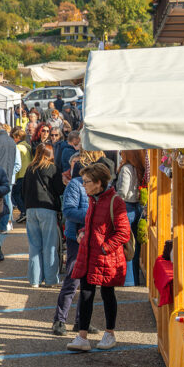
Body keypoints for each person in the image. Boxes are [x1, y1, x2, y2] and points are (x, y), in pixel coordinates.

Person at [67, 162, 130, 352]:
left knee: (107, 294)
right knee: (86, 294)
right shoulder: (92, 199)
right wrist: (83, 232)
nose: (83, 185)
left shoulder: (114, 201)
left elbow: (123, 232)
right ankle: (82, 337)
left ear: (98, 183)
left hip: (106, 257)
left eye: (86, 182)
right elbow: (93, 224)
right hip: (90, 254)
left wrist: (104, 248)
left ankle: (109, 333)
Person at [52, 152, 101, 336]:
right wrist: (92, 216)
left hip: (93, 238)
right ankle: (59, 320)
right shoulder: (75, 184)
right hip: (76, 239)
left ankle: (82, 321)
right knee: (72, 279)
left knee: (89, 282)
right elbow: (69, 210)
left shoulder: (100, 188)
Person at [22, 143, 64, 287]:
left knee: (34, 245)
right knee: (49, 245)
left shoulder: (30, 168)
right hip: (47, 208)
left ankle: (35, 279)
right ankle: (51, 279)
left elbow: (23, 189)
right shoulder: (52, 168)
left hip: (31, 208)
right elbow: (59, 190)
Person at [115, 150, 145, 287]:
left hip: (127, 207)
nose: (120, 154)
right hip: (137, 206)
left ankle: (128, 280)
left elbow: (123, 190)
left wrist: (115, 201)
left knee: (126, 244)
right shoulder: (139, 168)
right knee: (134, 245)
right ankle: (133, 279)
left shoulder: (126, 168)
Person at [11, 126, 31, 224]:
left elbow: (17, 162)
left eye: (14, 137)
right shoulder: (28, 146)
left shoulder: (18, 147)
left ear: (18, 137)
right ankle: (24, 211)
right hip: (27, 173)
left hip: (21, 174)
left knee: (16, 194)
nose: (13, 140)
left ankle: (23, 211)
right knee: (22, 194)